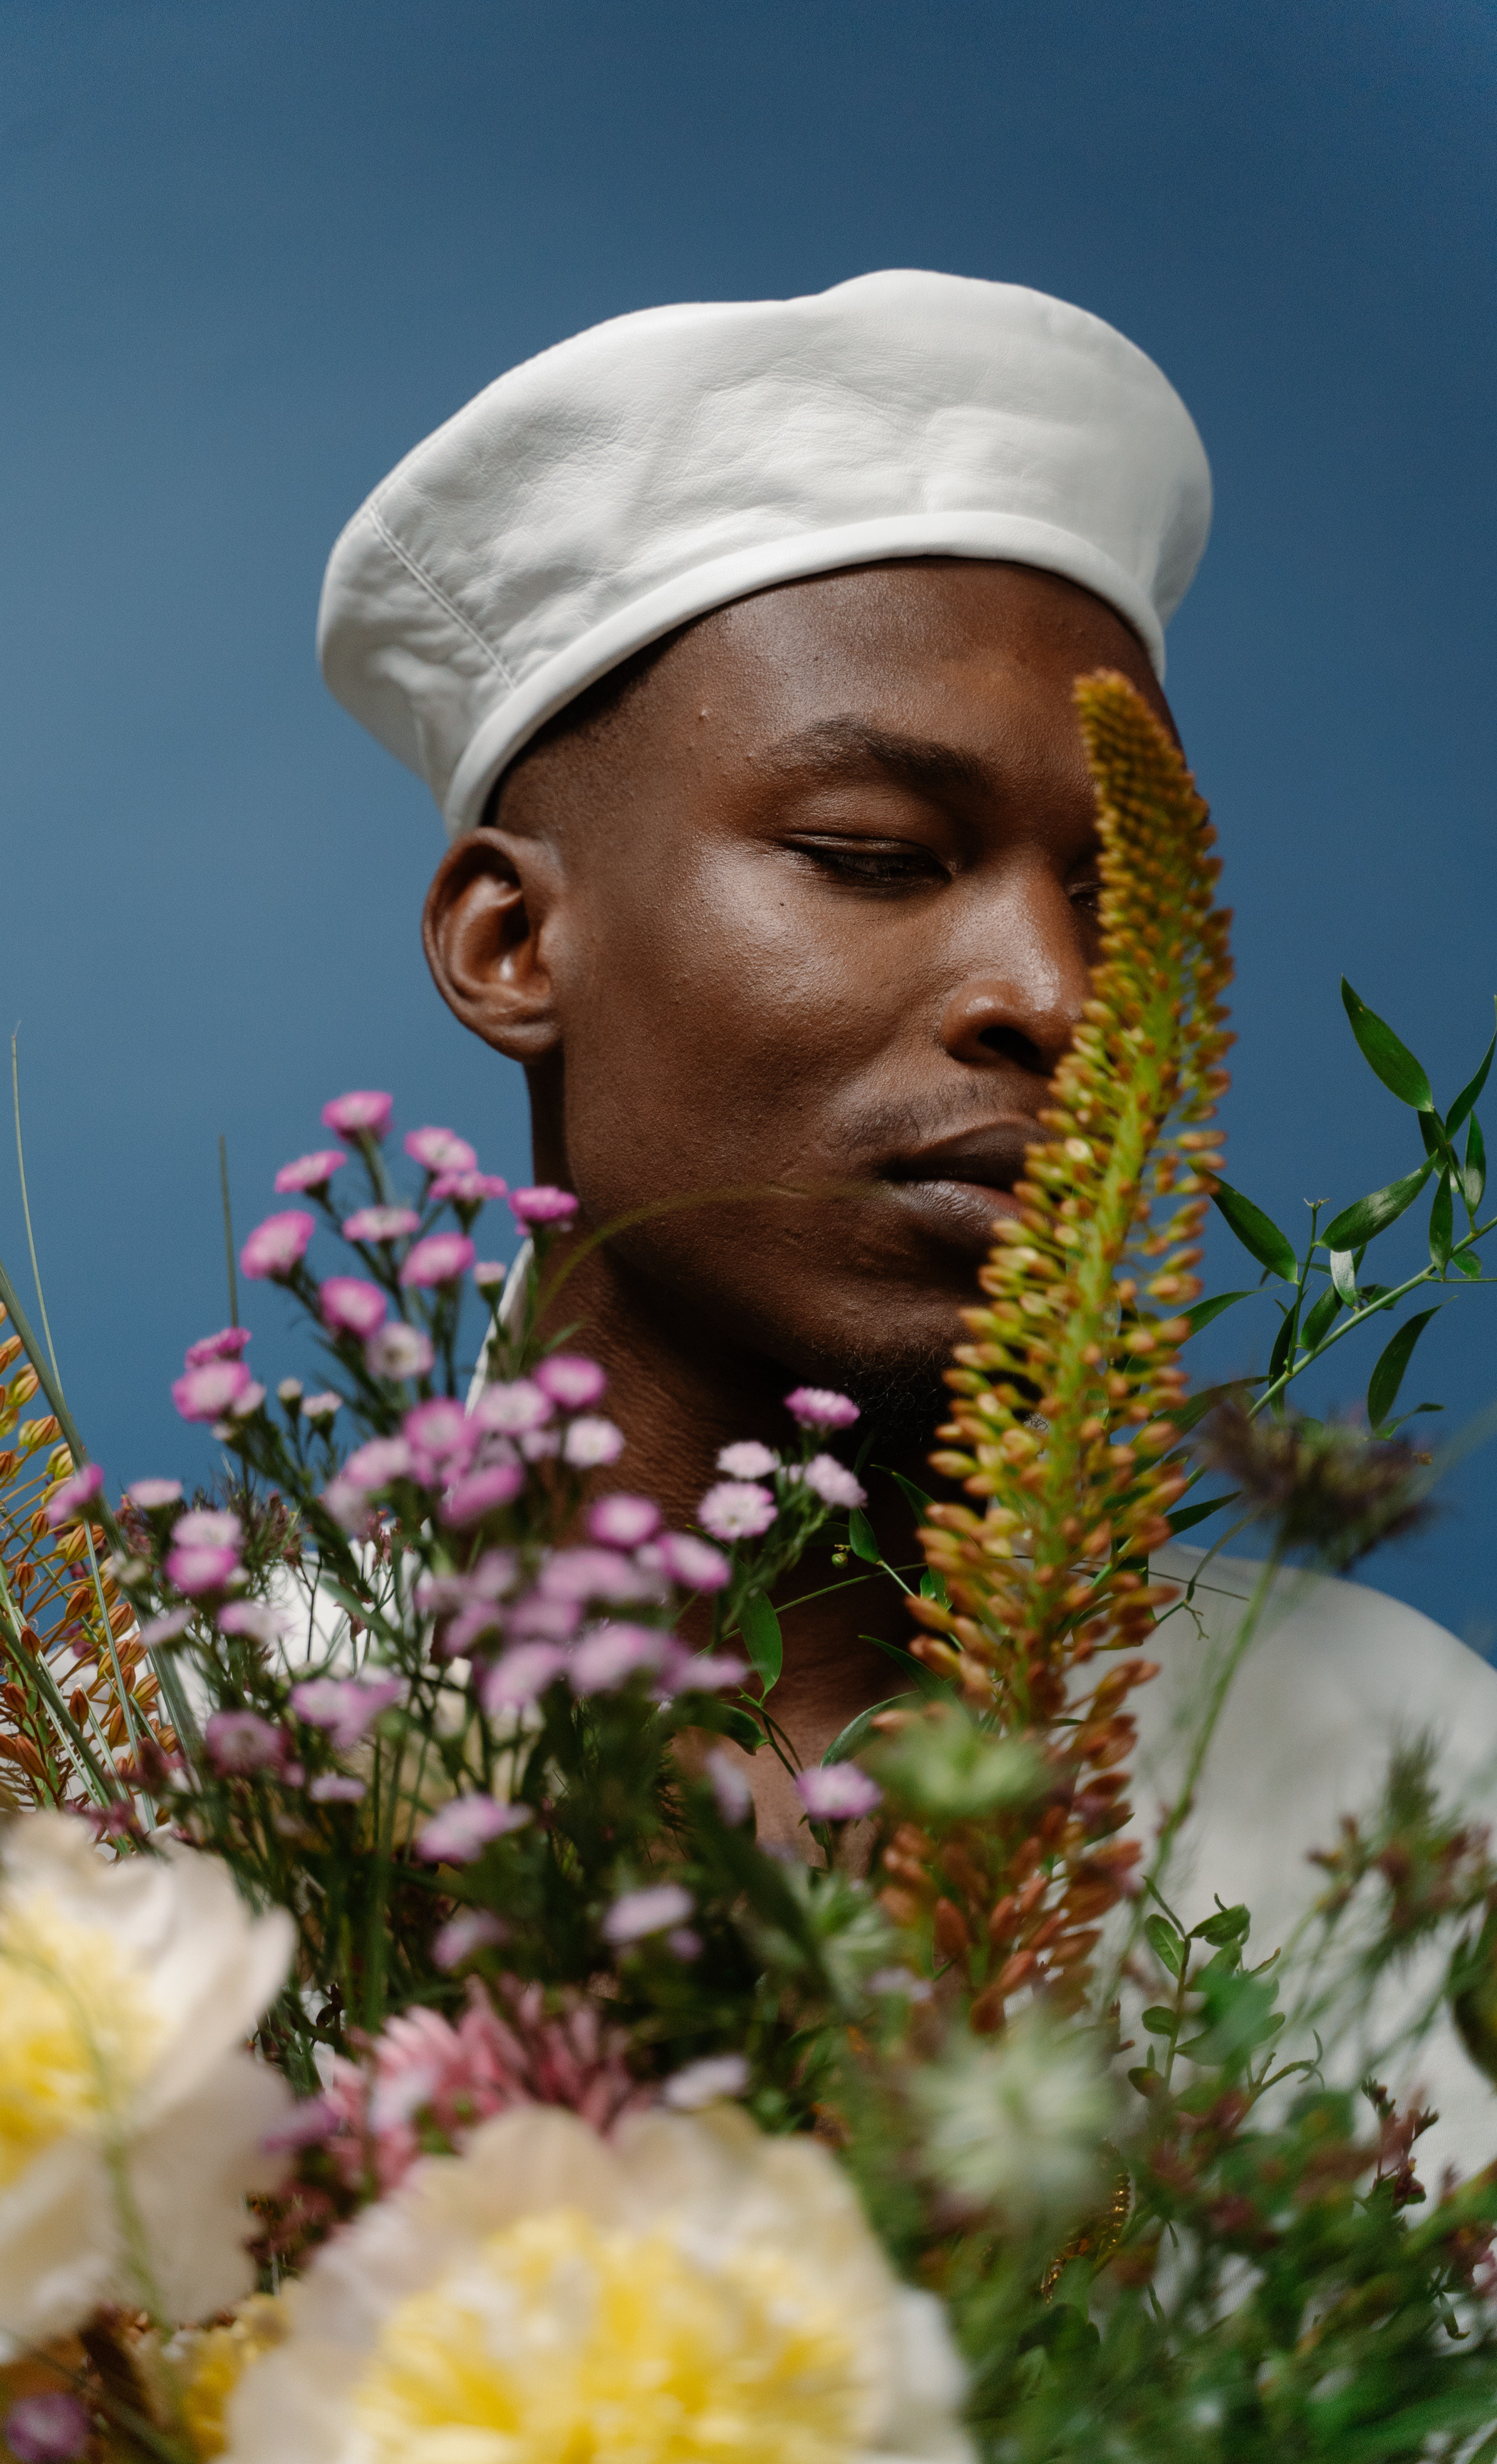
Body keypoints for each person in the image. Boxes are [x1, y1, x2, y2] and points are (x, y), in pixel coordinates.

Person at [318, 271, 1497, 2173]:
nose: (1054, 990)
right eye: (873, 856)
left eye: (1119, 897)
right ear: (514, 938)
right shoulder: (149, 1776)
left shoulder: (1414, 1773)